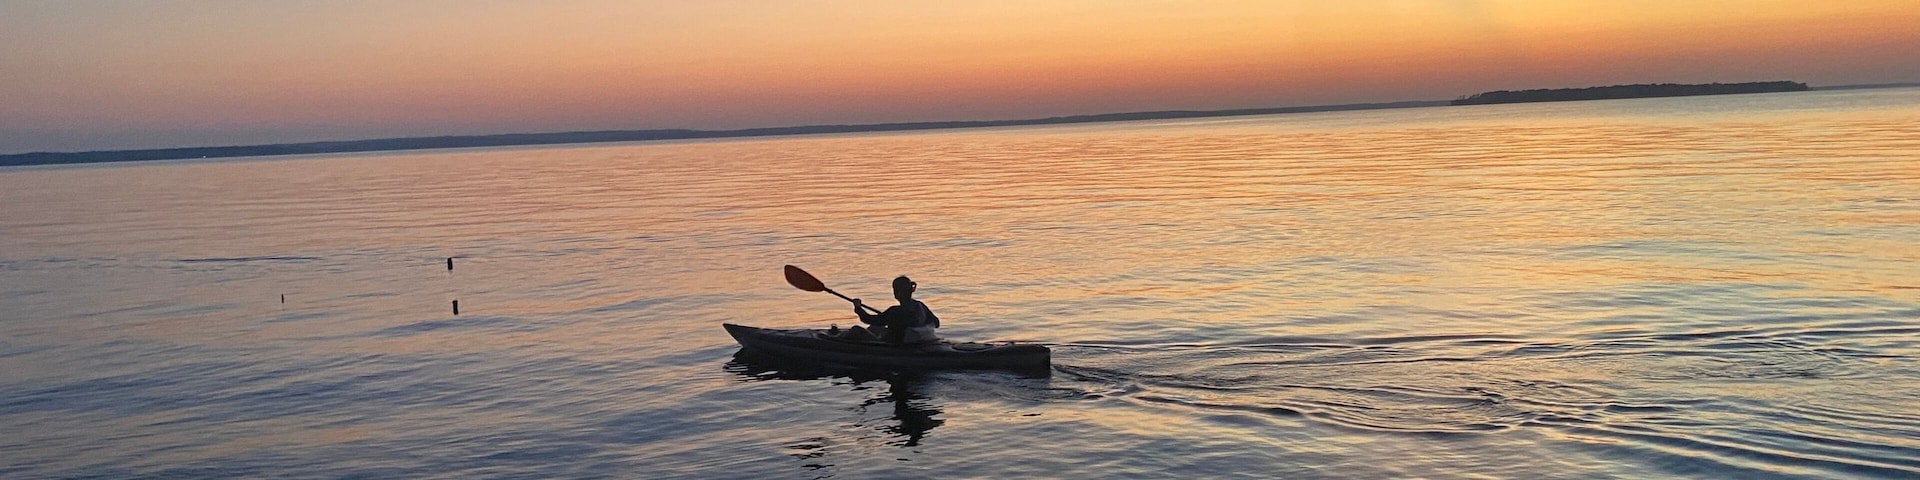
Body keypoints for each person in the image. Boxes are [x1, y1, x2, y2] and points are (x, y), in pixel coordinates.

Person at [844, 276, 940, 344]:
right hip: (915, 341)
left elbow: (868, 319)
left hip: (895, 343)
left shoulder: (895, 311)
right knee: (874, 328)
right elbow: (936, 322)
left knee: (856, 330)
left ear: (898, 292)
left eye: (895, 289)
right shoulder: (920, 305)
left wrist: (858, 307)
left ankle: (834, 341)